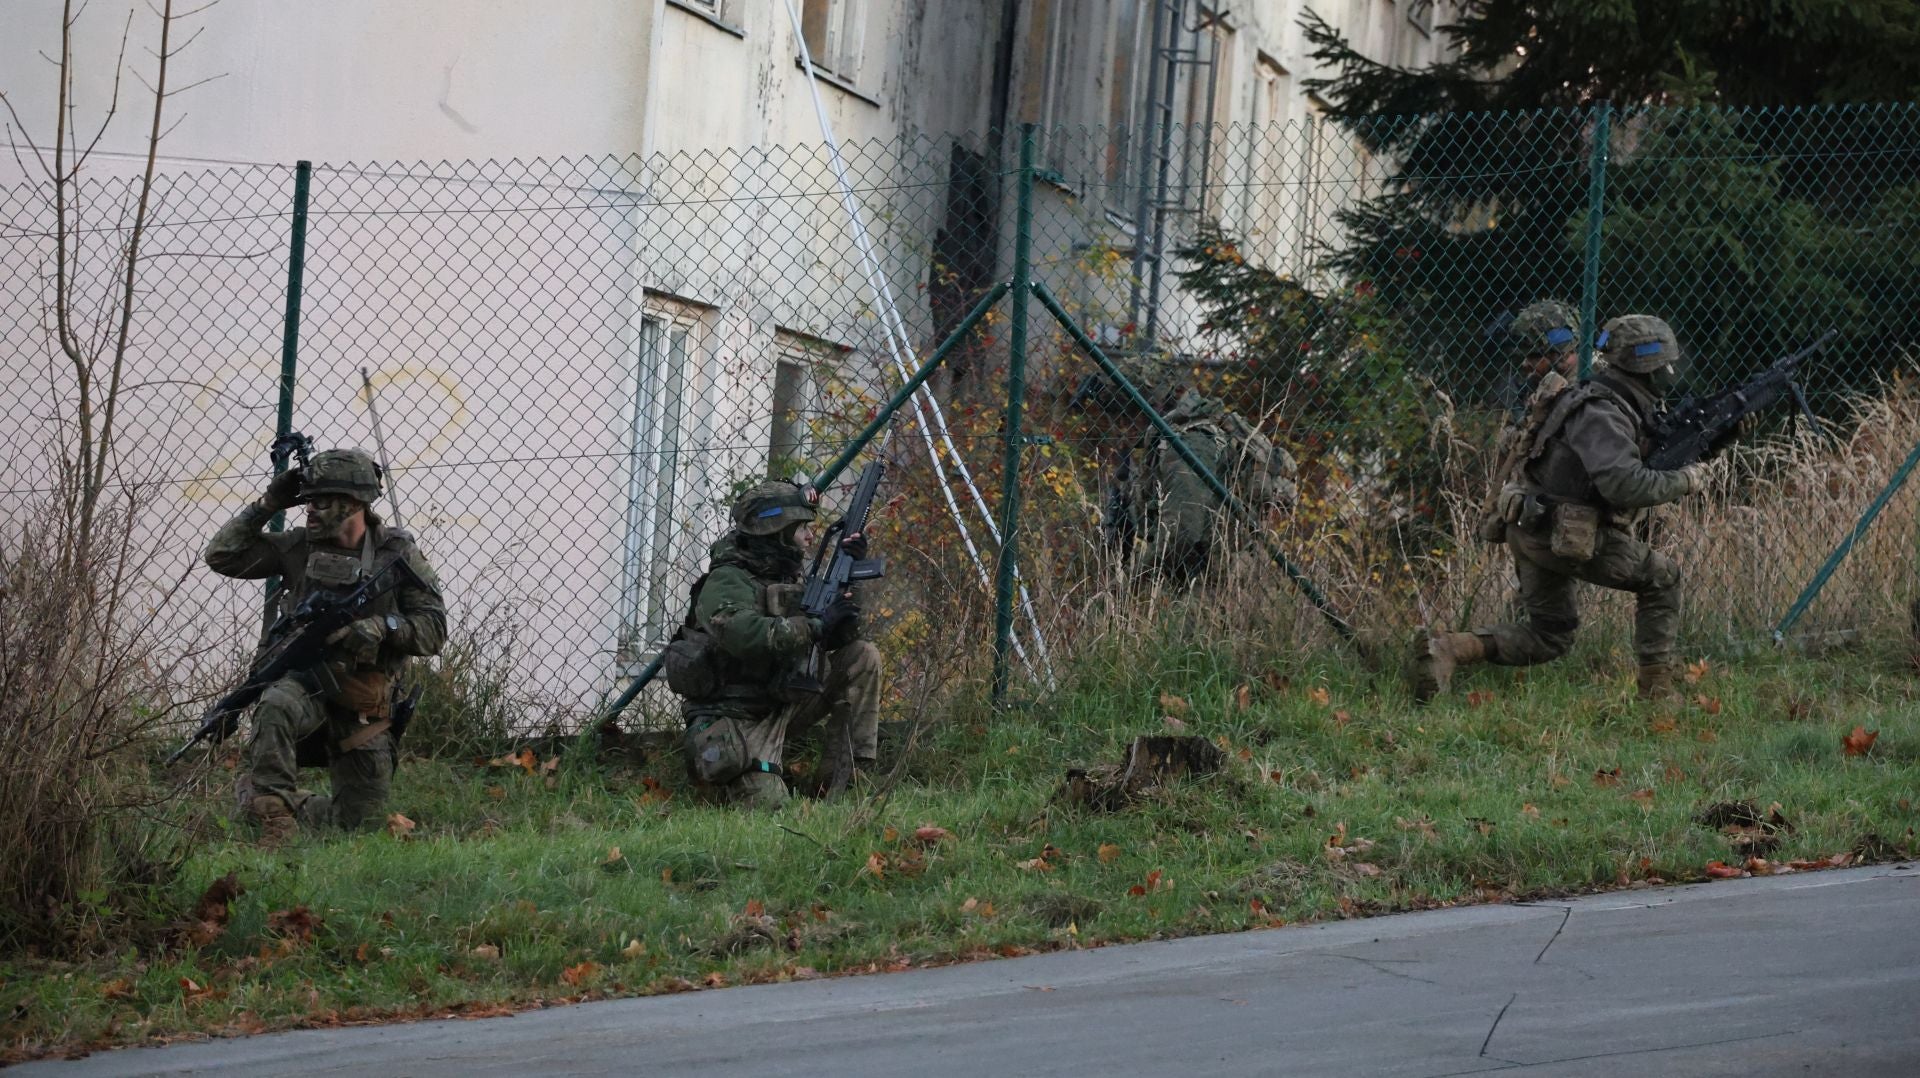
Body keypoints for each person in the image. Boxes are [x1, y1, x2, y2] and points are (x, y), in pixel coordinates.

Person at [1411, 314, 1709, 703]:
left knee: (1550, 635)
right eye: (1667, 363)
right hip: (1562, 533)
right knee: (1662, 579)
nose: (1673, 370)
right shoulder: (1603, 412)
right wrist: (1687, 480)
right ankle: (1657, 692)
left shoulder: (1605, 398)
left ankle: (1447, 650)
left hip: (1534, 524)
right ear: (1650, 365)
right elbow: (1624, 484)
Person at [205, 448, 446, 844]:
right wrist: (266, 505)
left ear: (354, 504)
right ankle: (273, 822)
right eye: (306, 502)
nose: (309, 512)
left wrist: (384, 626)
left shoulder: (397, 554)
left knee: (359, 826)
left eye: (320, 502)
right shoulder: (299, 547)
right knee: (276, 703)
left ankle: (260, 797)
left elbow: (434, 629)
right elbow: (222, 557)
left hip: (362, 702)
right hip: (305, 686)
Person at [672, 479, 881, 807]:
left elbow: (841, 637)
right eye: (801, 529)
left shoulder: (788, 576)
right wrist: (814, 625)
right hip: (737, 718)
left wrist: (851, 574)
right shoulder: (727, 580)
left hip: (784, 699)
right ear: (776, 532)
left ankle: (842, 784)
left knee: (862, 657)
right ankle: (740, 779)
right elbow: (744, 634)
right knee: (771, 809)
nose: (810, 536)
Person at [1107, 387, 1298, 580]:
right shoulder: (1195, 435)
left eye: (1124, 417)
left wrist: (1132, 583)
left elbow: (1181, 532)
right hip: (1237, 566)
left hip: (1211, 576)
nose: (1121, 428)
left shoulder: (1190, 443)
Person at [1475, 299, 1589, 542]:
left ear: (1559, 354)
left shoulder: (1581, 389)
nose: (1525, 364)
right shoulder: (1549, 386)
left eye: (1533, 356)